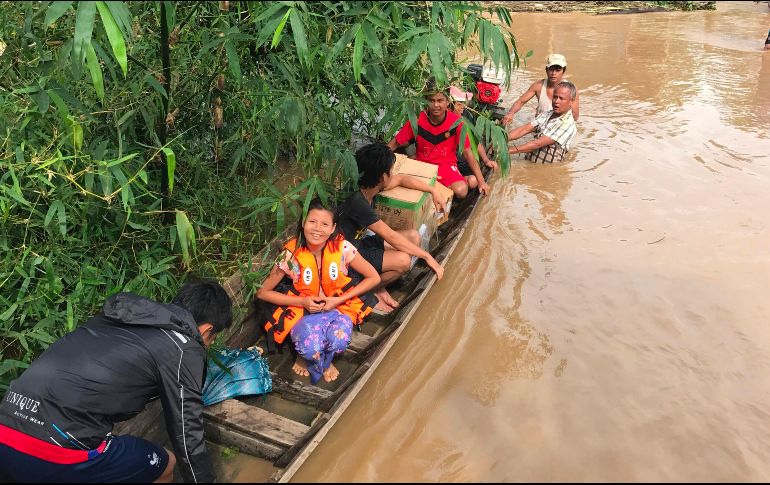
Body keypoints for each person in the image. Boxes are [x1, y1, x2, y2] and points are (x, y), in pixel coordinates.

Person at [0, 279, 233, 483]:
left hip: (5, 433)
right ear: (206, 330)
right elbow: (187, 432)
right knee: (166, 464)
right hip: (57, 452)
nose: (209, 344)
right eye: (213, 339)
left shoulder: (116, 318)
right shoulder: (184, 347)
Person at [258, 198, 380, 384]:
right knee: (309, 348)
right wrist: (303, 302)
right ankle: (310, 357)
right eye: (312, 222)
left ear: (333, 228)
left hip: (337, 309)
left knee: (339, 341)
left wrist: (338, 300)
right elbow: (262, 292)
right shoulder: (291, 255)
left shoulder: (343, 248)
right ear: (303, 223)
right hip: (304, 313)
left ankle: (321, 357)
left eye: (324, 224)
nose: (317, 229)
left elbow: (374, 277)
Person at [337, 143, 445, 313]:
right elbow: (391, 237)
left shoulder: (371, 184)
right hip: (347, 258)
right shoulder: (357, 201)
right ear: (382, 177)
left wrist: (432, 190)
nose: (392, 174)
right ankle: (367, 290)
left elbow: (402, 179)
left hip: (359, 243)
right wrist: (427, 256)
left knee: (414, 237)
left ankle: (377, 286)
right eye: (390, 171)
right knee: (403, 261)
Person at [387, 83, 491, 198]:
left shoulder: (458, 123)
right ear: (426, 101)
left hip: (446, 165)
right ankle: (436, 188)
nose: (435, 105)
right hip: (422, 165)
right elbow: (395, 143)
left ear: (447, 102)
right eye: (431, 100)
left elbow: (468, 153)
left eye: (440, 100)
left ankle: (436, 187)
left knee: (461, 191)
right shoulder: (417, 119)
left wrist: (481, 181)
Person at [507, 81, 578, 164]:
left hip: (548, 169)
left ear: (572, 101)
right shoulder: (547, 114)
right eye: (555, 97)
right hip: (531, 160)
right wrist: (502, 138)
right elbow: (524, 129)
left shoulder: (567, 124)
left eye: (561, 98)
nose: (556, 101)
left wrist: (507, 151)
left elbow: (537, 144)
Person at [501, 53, 580, 125]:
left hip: (559, 126)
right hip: (540, 124)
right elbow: (521, 101)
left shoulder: (571, 89)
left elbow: (575, 116)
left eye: (558, 70)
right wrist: (511, 113)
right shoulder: (538, 86)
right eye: (551, 69)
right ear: (546, 70)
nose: (553, 73)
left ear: (564, 71)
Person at [449, 85, 498, 190]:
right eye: (459, 104)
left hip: (463, 160)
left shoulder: (465, 114)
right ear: (449, 105)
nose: (463, 106)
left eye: (463, 103)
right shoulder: (444, 119)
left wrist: (486, 160)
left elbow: (475, 141)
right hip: (449, 162)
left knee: (472, 182)